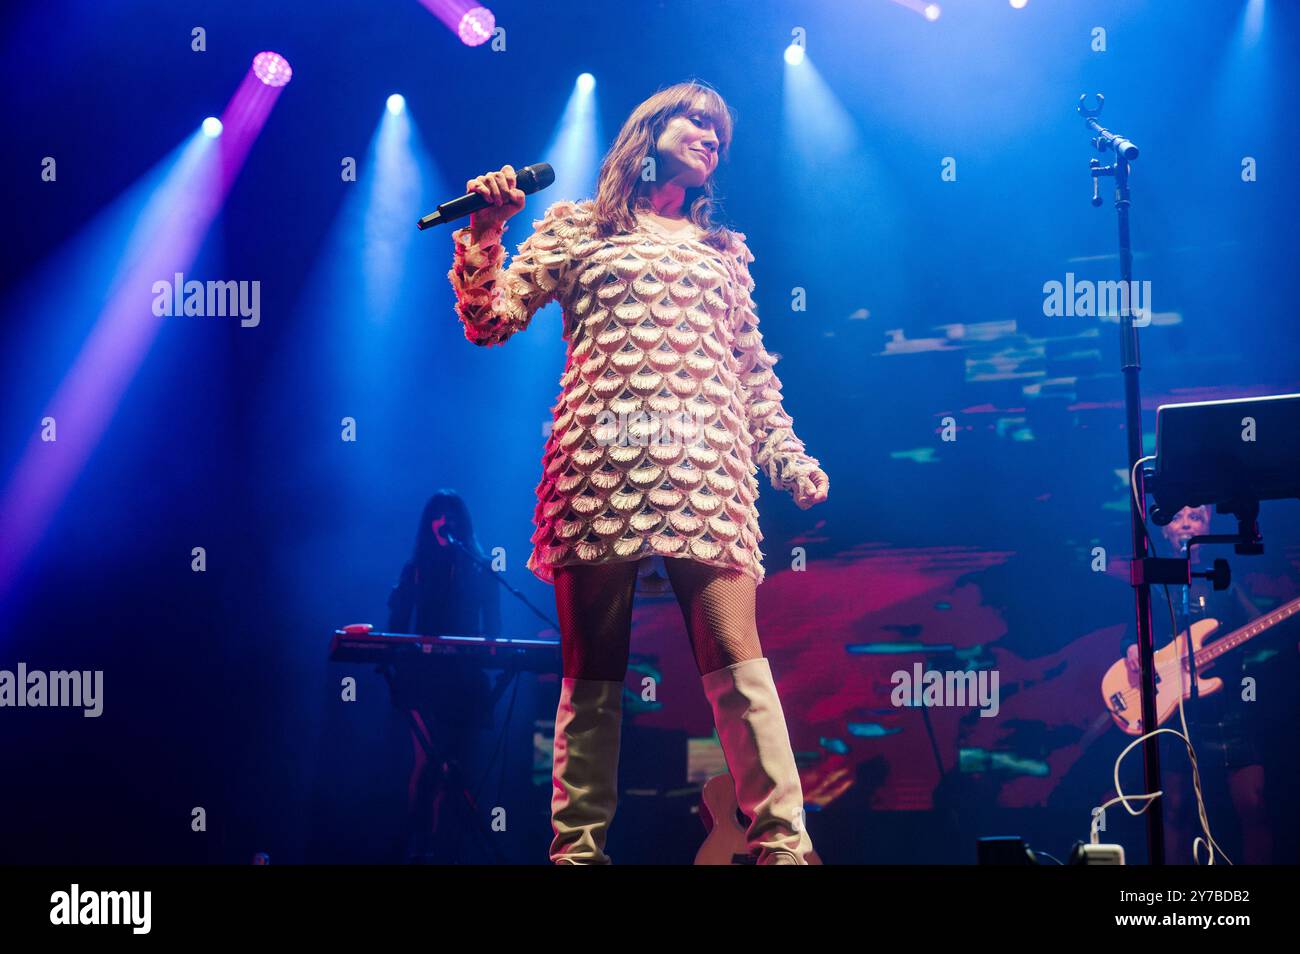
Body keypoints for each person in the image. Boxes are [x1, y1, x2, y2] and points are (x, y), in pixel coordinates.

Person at [446, 81, 829, 864]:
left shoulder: (724, 250)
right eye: (697, 120)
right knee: (594, 666)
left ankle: (784, 845)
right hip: (599, 462)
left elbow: (751, 371)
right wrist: (487, 227)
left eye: (720, 130)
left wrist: (786, 454)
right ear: (648, 133)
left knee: (735, 648)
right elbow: (490, 321)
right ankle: (578, 851)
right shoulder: (579, 228)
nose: (712, 137)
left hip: (708, 466)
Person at [1121, 505, 1276, 863]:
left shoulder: (1224, 578)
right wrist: (1132, 648)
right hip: (1175, 714)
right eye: (1178, 517)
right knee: (1173, 809)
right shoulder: (1154, 585)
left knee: (1253, 804)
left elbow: (1259, 631)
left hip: (1228, 713)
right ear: (1164, 530)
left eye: (1198, 517)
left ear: (1209, 527)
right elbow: (1130, 635)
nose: (1188, 523)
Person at [385, 490, 501, 861]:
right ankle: (417, 844)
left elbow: (493, 632)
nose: (445, 521)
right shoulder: (415, 568)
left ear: (463, 525)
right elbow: (396, 629)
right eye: (438, 515)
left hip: (465, 678)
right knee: (429, 759)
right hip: (423, 677)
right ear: (428, 523)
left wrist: (491, 650)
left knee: (459, 765)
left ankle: (446, 847)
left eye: (452, 515)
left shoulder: (481, 569)